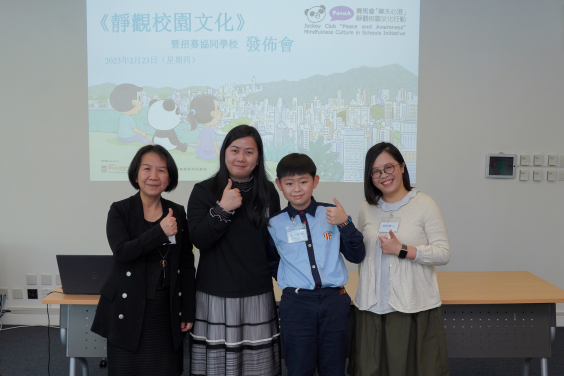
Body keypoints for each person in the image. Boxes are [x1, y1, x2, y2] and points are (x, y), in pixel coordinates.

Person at [91, 145, 196, 376]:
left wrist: (188, 309)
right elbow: (122, 252)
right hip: (128, 309)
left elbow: (186, 264)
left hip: (165, 310)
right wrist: (160, 231)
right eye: (147, 169)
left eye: (162, 170)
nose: (154, 176)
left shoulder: (177, 212)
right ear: (136, 175)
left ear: (169, 178)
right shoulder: (120, 210)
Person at [348, 142, 451, 376]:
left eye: (389, 167)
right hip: (372, 307)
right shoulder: (367, 208)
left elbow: (443, 253)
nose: (383, 175)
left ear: (402, 167)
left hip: (410, 306)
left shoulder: (424, 204)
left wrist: (403, 250)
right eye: (376, 171)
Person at [187, 125, 282, 375]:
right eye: (235, 150)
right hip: (214, 295)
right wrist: (222, 209)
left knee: (257, 369)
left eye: (249, 152)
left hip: (257, 294)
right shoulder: (204, 191)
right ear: (224, 153)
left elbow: (273, 244)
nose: (241, 158)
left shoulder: (268, 192)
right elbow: (198, 239)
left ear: (258, 157)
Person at [266, 153, 365, 376]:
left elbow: (357, 255)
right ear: (279, 185)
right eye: (289, 183)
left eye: (303, 181)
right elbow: (272, 260)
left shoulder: (331, 214)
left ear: (315, 181)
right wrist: (289, 281)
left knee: (333, 367)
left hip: (334, 301)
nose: (297, 188)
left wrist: (346, 223)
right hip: (296, 304)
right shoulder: (274, 224)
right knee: (299, 367)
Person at [187, 94, 222, 160]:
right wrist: (218, 153)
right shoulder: (211, 131)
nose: (221, 111)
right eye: (218, 108)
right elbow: (214, 144)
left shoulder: (202, 129)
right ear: (212, 113)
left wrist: (198, 146)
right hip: (209, 155)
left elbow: (199, 141)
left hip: (201, 153)